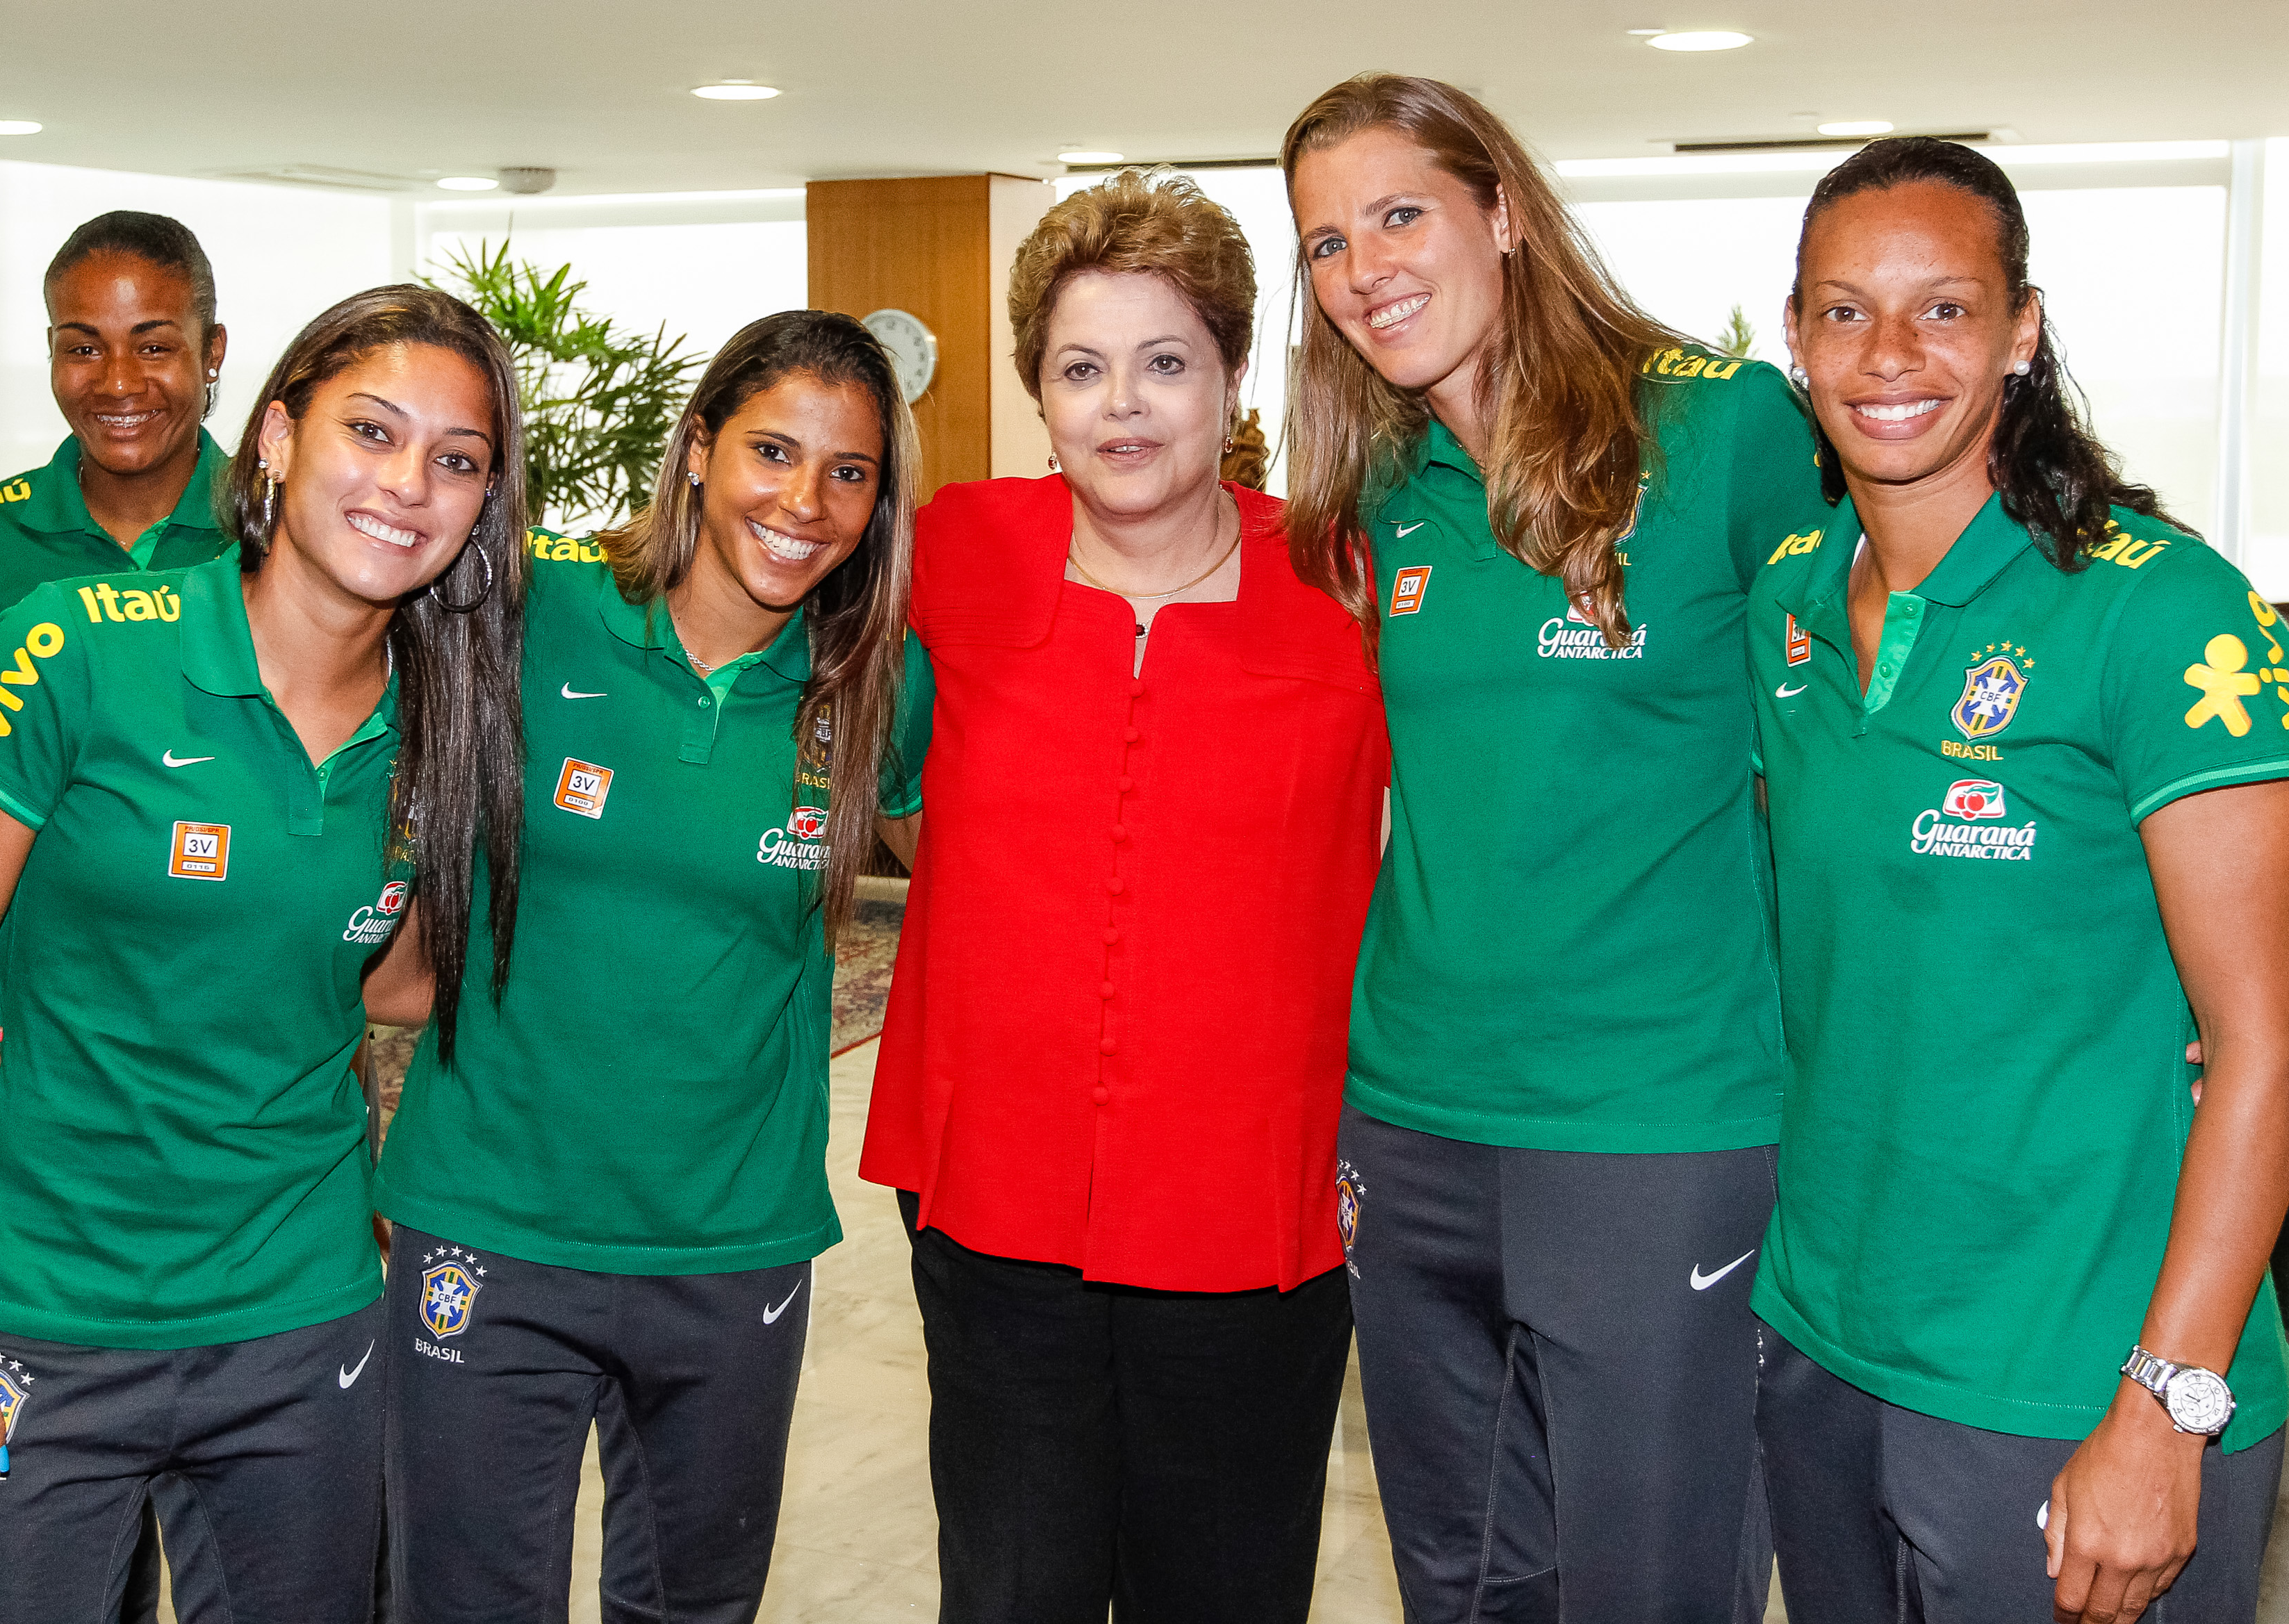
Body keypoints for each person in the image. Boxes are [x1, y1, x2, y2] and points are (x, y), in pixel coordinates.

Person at [0, 284, 527, 1624]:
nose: (410, 485)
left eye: (457, 460)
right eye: (373, 432)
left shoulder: (447, 725)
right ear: (276, 437)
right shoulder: (70, 645)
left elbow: (385, 980)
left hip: (302, 1320)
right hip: (37, 1314)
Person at [1279, 74, 1826, 1622]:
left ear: (1504, 213)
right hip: (1408, 1123)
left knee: (1648, 1581)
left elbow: (1851, 742)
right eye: (1326, 242)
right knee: (1461, 1578)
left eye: (1400, 214)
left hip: (1656, 1125)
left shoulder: (1722, 429)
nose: (1364, 267)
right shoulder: (1378, 492)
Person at [1750, 136, 2289, 1624]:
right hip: (1826, 1347)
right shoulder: (1788, 599)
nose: (1889, 356)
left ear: (2021, 330)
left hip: (2075, 1373)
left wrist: (2167, 1403)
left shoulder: (2164, 608)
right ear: (1792, 337)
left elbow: (2266, 1040)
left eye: (1945, 308)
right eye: (1844, 310)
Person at [860, 170, 1388, 1624]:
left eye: (1167, 362)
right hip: (996, 1200)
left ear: (1230, 376)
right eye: (1083, 369)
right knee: (1013, 1586)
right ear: (1038, 390)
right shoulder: (954, 552)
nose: (1126, 406)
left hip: (1252, 1214)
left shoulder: (1348, 581)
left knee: (1224, 1591)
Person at [368, 309, 930, 1624]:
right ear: (695, 449)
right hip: (491, 1225)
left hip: (731, 1243)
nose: (806, 501)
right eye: (772, 451)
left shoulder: (871, 688)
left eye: (848, 473)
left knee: (692, 1609)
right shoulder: (535, 614)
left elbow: (992, 881)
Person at [0, 211, 232, 789]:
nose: (118, 383)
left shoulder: (282, 527)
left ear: (212, 352)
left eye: (153, 347)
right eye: (83, 349)